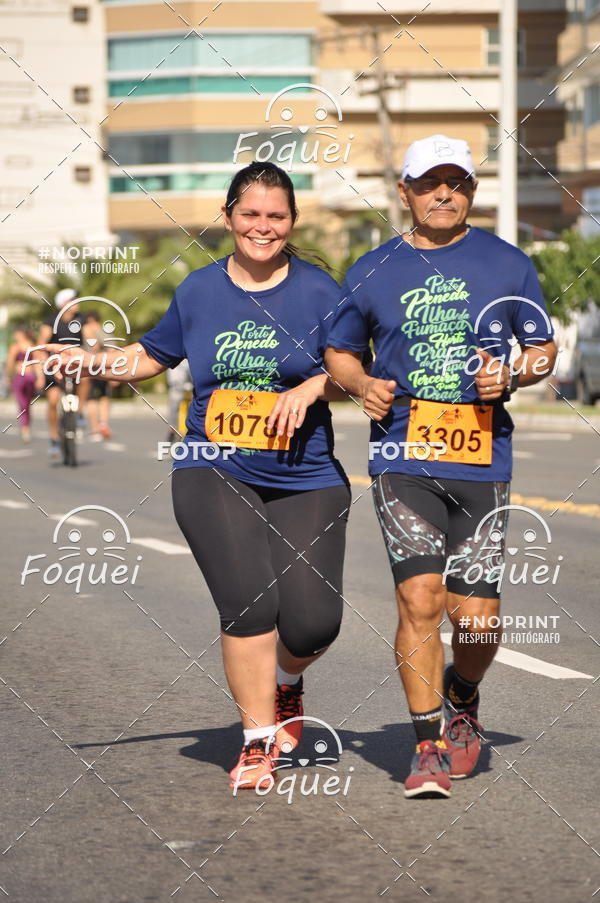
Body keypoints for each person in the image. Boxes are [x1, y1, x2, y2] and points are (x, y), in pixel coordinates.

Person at [43, 162, 351, 791]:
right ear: (228, 216)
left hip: (306, 471)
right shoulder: (200, 290)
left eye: (276, 216)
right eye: (250, 214)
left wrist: (312, 387)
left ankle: (285, 683)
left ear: (292, 222)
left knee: (314, 622)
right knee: (250, 602)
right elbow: (150, 356)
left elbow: (354, 373)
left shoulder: (322, 292)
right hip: (213, 465)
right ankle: (257, 741)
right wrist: (89, 360)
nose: (262, 227)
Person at [325, 134, 557, 798]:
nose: (443, 193)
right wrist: (360, 382)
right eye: (429, 183)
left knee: (477, 620)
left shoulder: (508, 264)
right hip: (402, 454)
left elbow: (543, 347)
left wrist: (513, 372)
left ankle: (464, 691)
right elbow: (340, 351)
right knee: (420, 598)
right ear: (405, 192)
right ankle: (426, 743)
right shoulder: (372, 268)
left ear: (472, 191)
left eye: (456, 182)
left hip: (482, 457)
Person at [37, 288, 82, 458]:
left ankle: (80, 413)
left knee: (88, 380)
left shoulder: (81, 320)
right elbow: (41, 346)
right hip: (55, 365)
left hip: (77, 364)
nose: (77, 302)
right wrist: (42, 367)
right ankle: (54, 438)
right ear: (63, 303)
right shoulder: (51, 321)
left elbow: (92, 339)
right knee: (53, 400)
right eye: (72, 299)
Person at [79, 311, 116, 441]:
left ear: (90, 320)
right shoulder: (105, 331)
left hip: (91, 368)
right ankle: (103, 424)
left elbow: (94, 346)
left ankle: (95, 429)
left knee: (91, 399)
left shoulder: (87, 329)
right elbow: (113, 350)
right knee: (104, 396)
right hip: (106, 368)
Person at [6, 326, 44, 442]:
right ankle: (25, 429)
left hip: (30, 377)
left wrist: (40, 378)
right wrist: (9, 377)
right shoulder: (15, 347)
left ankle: (26, 427)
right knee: (22, 404)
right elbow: (10, 364)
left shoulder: (33, 346)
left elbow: (37, 363)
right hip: (19, 378)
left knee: (27, 404)